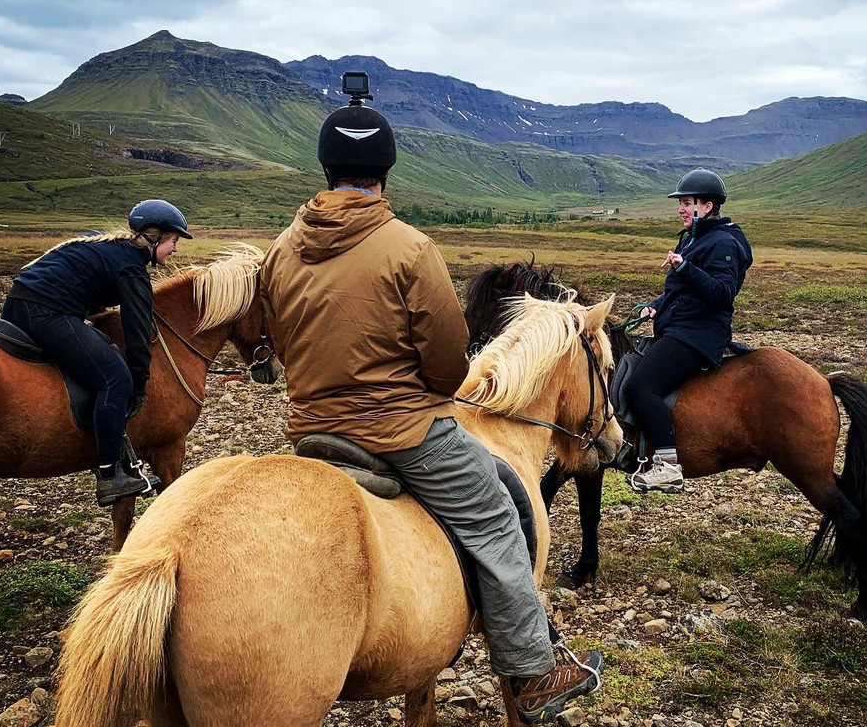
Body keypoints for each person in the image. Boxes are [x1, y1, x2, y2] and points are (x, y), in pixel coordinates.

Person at [259, 97, 603, 724]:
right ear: (385, 171)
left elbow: (281, 341)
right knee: (500, 512)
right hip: (401, 430)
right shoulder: (409, 248)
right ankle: (532, 670)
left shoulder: (281, 251)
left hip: (311, 429)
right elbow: (448, 364)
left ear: (325, 166)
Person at [0, 200, 191, 506]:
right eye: (173, 241)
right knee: (115, 379)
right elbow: (137, 334)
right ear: (153, 238)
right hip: (47, 313)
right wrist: (138, 383)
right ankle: (110, 474)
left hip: (17, 304)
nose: (175, 250)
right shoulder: (131, 269)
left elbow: (78, 277)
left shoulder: (106, 243)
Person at [626, 168, 753, 493]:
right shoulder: (696, 238)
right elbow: (682, 292)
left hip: (697, 336)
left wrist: (685, 266)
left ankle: (667, 467)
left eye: (687, 202)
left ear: (706, 206)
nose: (681, 208)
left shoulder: (723, 242)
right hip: (681, 328)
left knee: (641, 387)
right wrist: (655, 305)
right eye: (680, 203)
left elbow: (722, 293)